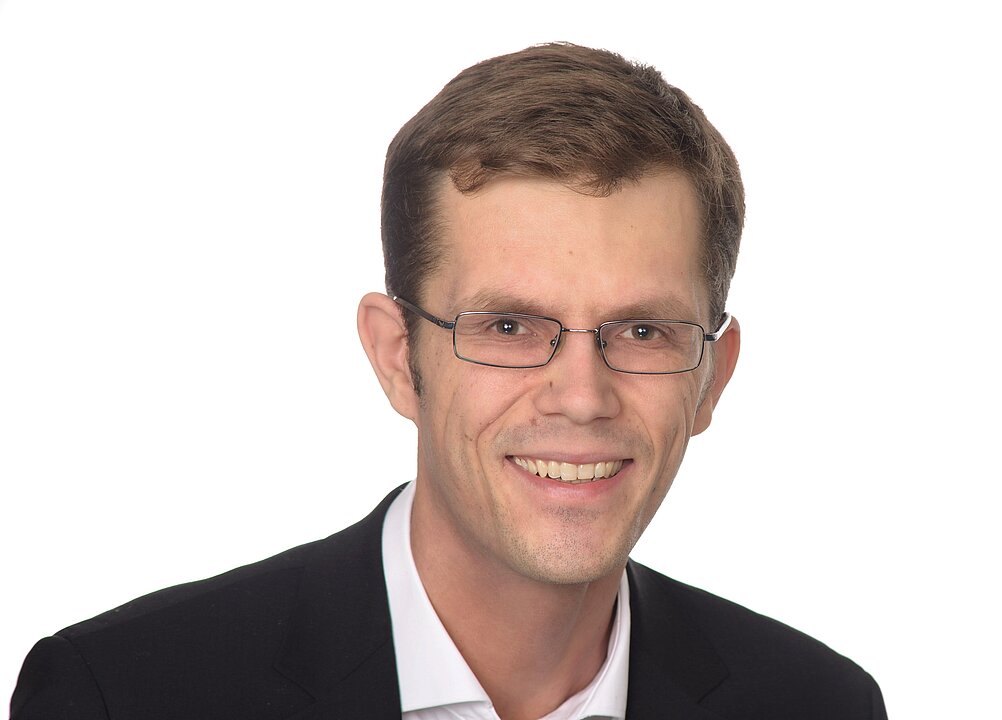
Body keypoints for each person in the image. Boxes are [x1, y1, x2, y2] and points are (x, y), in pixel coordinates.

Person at [10, 42, 886, 719]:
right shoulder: (123, 696)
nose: (582, 396)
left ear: (711, 378)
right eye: (508, 327)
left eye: (643, 331)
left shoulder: (818, 705)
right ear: (399, 357)